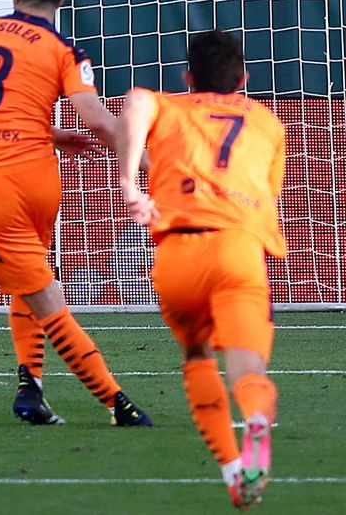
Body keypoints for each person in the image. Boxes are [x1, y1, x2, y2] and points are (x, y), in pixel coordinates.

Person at [0, 0, 152, 428]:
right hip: (40, 178)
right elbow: (99, 121)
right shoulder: (64, 50)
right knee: (32, 283)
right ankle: (31, 389)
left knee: (44, 296)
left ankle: (116, 403)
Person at [116, 29, 286, 510]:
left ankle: (233, 470)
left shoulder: (169, 106)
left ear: (188, 77)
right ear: (244, 79)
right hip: (237, 251)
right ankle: (255, 418)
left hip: (177, 254)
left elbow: (134, 103)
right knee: (248, 368)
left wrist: (130, 184)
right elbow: (267, 197)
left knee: (196, 354)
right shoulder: (268, 123)